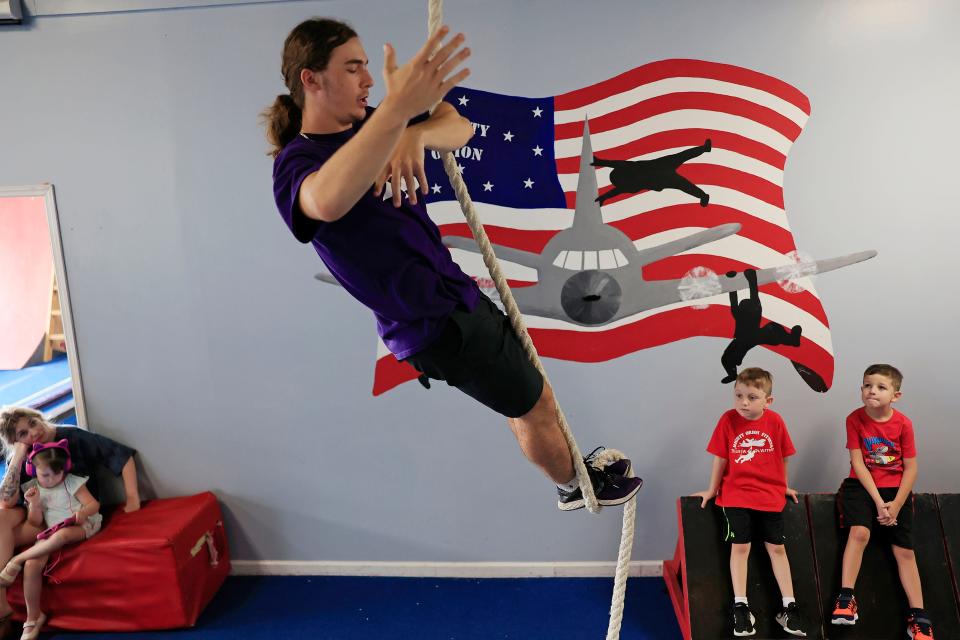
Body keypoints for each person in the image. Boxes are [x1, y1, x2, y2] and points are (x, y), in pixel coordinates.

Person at [263, 17, 641, 511]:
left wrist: (414, 135)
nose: (368, 80)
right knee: (534, 403)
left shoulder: (372, 125)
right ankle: (575, 486)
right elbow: (328, 201)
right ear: (310, 79)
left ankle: (573, 474)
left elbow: (455, 123)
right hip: (434, 322)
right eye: (353, 68)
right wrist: (396, 116)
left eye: (366, 68)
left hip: (454, 295)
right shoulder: (297, 163)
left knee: (528, 398)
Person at [692, 367, 809, 637]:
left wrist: (782, 485)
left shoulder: (776, 422)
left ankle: (789, 607)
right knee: (740, 547)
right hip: (736, 495)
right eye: (739, 395)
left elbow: (783, 457)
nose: (744, 402)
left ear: (768, 401)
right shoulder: (728, 420)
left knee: (777, 548)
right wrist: (712, 489)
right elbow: (720, 457)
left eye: (752, 397)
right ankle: (741, 607)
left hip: (769, 496)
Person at [0, 406, 140, 622]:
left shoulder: (71, 437)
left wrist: (132, 497)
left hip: (70, 516)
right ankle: (2, 602)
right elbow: (6, 502)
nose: (34, 432)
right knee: (1, 517)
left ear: (38, 418)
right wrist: (18, 456)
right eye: (23, 434)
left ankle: (17, 607)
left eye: (32, 423)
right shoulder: (23, 455)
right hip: (37, 517)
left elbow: (120, 455)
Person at [831, 364, 933, 639]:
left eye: (880, 387)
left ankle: (919, 617)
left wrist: (897, 504)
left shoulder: (903, 424)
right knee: (860, 533)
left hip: (896, 489)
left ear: (895, 396)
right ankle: (846, 599)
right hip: (863, 486)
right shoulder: (854, 419)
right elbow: (858, 463)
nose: (872, 391)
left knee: (904, 551)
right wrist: (878, 501)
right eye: (867, 385)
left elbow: (911, 468)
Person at [0, 441, 101, 639]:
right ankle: (33, 618)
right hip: (49, 531)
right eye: (45, 475)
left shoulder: (71, 481)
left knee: (61, 536)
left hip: (81, 525)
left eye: (58, 473)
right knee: (31, 565)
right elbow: (35, 521)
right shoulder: (33, 488)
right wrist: (35, 504)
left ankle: (15, 561)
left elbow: (94, 504)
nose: (52, 479)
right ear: (32, 470)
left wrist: (84, 512)